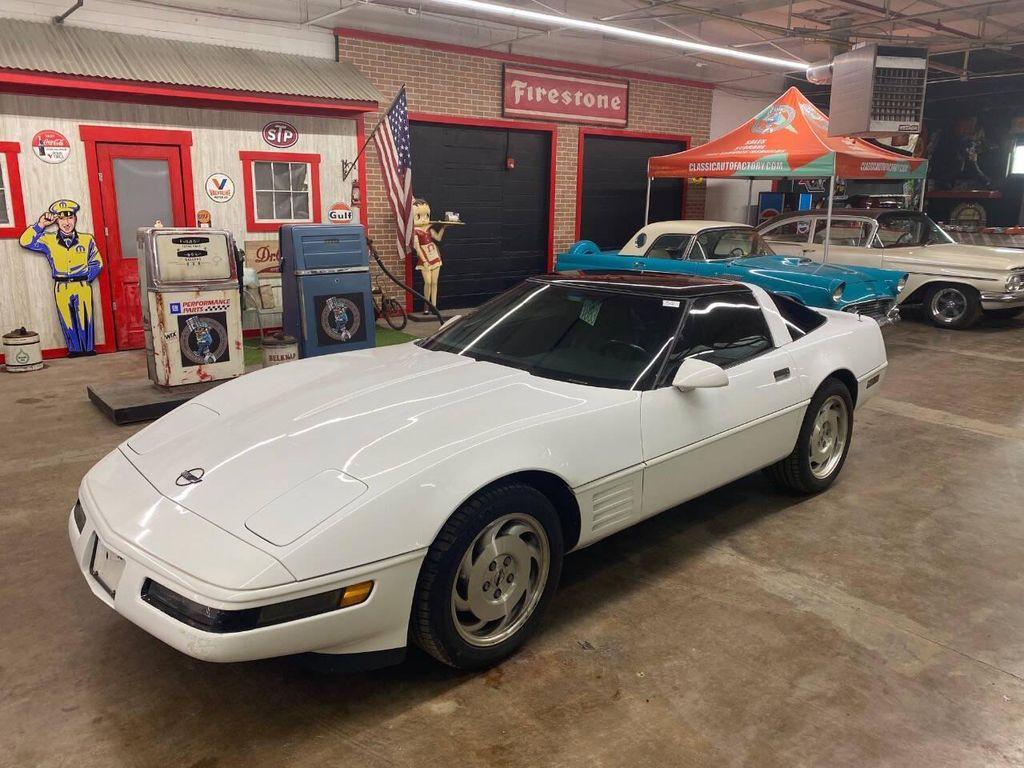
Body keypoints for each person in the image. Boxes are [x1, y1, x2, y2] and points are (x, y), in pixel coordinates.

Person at [20, 199, 103, 356]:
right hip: (61, 286)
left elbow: (97, 262)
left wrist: (86, 278)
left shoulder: (87, 239)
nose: (67, 222)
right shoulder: (49, 239)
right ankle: (75, 350)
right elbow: (25, 241)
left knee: (85, 317)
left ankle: (88, 350)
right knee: (67, 319)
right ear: (56, 220)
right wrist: (41, 225)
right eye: (62, 218)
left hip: (82, 285)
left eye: (70, 217)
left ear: (75, 218)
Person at [411, 199, 448, 314]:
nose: (424, 218)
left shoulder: (429, 228)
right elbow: (417, 248)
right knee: (427, 282)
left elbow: (438, 238)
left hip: (434, 255)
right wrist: (424, 260)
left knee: (434, 282)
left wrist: (444, 227)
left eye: (426, 215)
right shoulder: (415, 231)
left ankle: (434, 306)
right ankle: (426, 305)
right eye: (419, 216)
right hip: (424, 257)